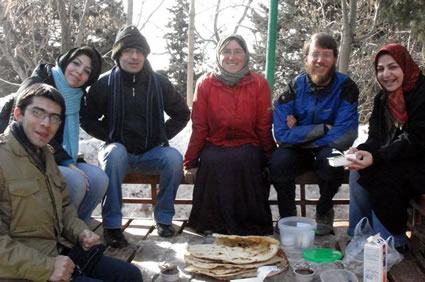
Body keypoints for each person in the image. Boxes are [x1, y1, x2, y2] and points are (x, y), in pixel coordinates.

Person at [0, 83, 142, 281]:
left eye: (54, 118)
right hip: (24, 270)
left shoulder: (45, 155)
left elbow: (64, 206)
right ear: (18, 114)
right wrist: (46, 267)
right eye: (38, 113)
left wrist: (80, 231)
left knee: (131, 276)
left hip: (57, 252)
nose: (46, 123)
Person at [80, 25, 190, 246]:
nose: (134, 56)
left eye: (139, 51)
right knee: (114, 153)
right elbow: (87, 118)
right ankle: (112, 225)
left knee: (173, 158)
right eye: (128, 51)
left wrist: (161, 134)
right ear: (118, 54)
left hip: (151, 153)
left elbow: (182, 114)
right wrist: (109, 135)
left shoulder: (159, 83)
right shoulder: (104, 84)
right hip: (118, 152)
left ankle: (164, 219)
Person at [0, 46, 108, 223]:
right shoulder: (37, 84)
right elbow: (22, 129)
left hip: (59, 156)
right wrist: (66, 161)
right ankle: (58, 233)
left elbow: (89, 121)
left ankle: (78, 229)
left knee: (99, 179)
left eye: (86, 71)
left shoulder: (77, 95)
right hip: (27, 157)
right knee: (75, 181)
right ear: (66, 61)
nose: (79, 72)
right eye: (76, 63)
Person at [183, 34, 275, 235]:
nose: (232, 57)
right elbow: (199, 127)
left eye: (237, 51)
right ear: (218, 55)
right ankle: (211, 224)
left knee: (246, 159)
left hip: (248, 144)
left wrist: (270, 157)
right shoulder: (205, 84)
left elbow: (263, 125)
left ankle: (249, 226)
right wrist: (190, 162)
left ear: (245, 55)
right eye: (226, 51)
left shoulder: (259, 83)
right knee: (212, 159)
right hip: (215, 144)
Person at [270, 32, 359, 235]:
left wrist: (301, 134)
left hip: (327, 148)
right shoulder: (294, 86)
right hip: (298, 151)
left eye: (326, 54)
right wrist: (323, 128)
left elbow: (345, 132)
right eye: (315, 54)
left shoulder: (346, 87)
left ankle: (324, 209)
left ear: (335, 59)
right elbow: (282, 134)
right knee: (278, 161)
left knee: (333, 161)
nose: (320, 60)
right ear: (306, 59)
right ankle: (287, 215)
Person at [346, 43, 425, 252]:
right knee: (357, 171)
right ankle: (359, 234)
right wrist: (360, 151)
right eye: (380, 69)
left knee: (384, 176)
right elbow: (375, 137)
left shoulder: (421, 93)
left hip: (419, 160)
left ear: (405, 66)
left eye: (393, 67)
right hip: (398, 157)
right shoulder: (383, 98)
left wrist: (377, 157)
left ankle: (390, 241)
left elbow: (415, 140)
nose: (386, 74)